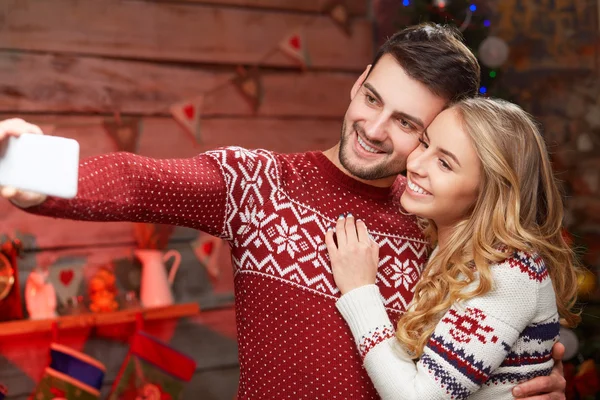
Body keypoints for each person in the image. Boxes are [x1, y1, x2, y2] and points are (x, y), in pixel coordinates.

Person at [0, 24, 566, 399]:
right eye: (372, 99)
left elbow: (492, 338)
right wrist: (37, 181)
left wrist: (534, 380)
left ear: (435, 136)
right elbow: (140, 182)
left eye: (406, 123)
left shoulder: (438, 225)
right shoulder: (259, 184)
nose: (372, 129)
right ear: (356, 83)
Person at [326, 97, 580, 399]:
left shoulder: (509, 272)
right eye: (424, 143)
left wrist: (360, 291)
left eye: (444, 163)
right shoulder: (451, 249)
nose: (415, 165)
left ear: (489, 192)